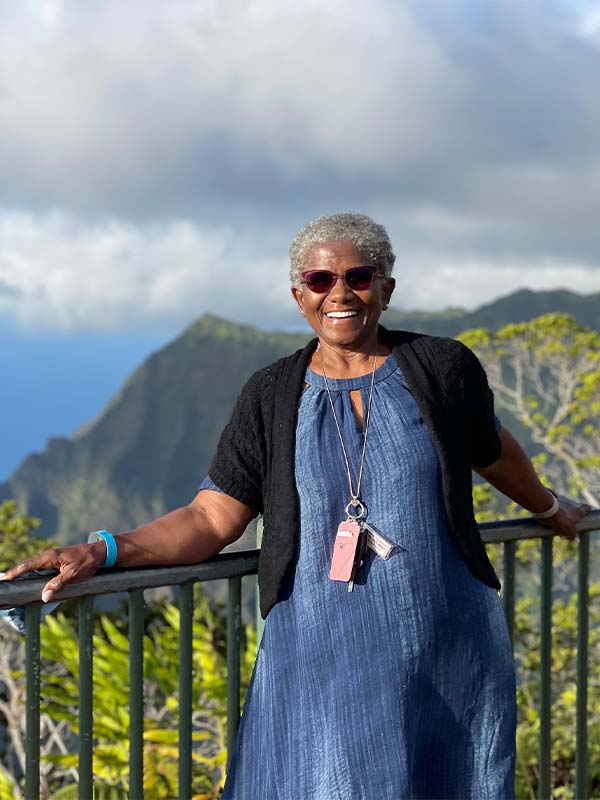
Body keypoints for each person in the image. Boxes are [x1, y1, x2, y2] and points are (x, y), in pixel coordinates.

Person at [2, 213, 591, 799]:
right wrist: (102, 550)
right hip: (321, 659)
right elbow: (211, 518)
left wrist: (546, 508)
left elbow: (490, 449)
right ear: (298, 296)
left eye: (359, 277)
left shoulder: (441, 368)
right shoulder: (271, 394)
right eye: (319, 280)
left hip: (446, 646)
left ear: (386, 288)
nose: (340, 293)